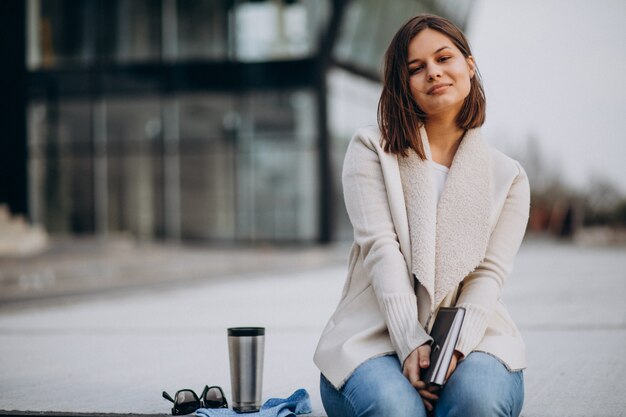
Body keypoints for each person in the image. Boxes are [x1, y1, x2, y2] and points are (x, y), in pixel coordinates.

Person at [314, 13, 529, 417]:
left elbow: (488, 275)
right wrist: (411, 341)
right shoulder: (371, 150)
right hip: (373, 338)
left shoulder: (509, 177)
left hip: (474, 339)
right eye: (416, 68)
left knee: (477, 402)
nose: (433, 72)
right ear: (404, 85)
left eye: (444, 58)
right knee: (398, 410)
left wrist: (454, 349)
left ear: (469, 65)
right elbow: (382, 250)